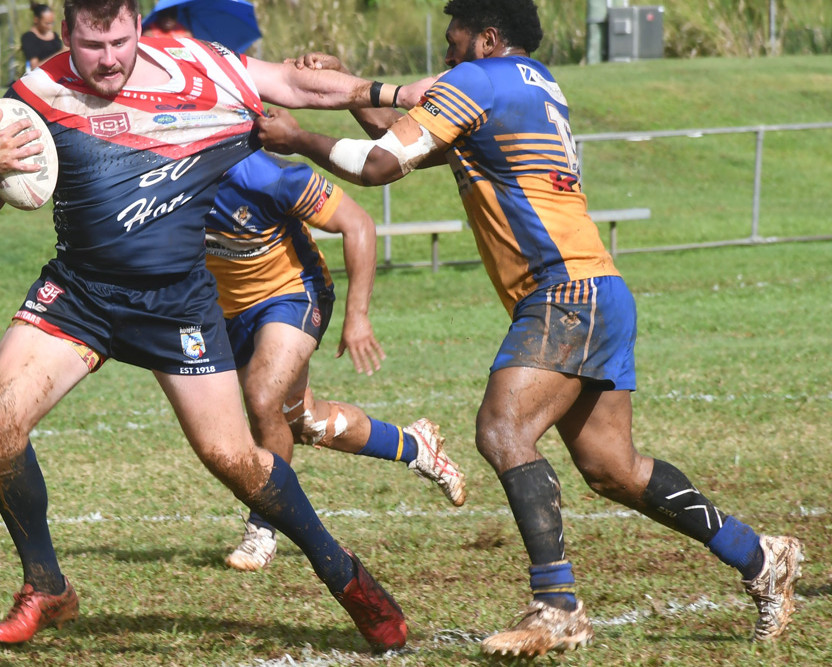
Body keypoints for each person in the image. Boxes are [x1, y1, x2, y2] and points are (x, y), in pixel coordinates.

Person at [255, 0, 805, 659]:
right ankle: (762, 555)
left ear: (488, 35)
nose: (448, 44)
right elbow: (395, 139)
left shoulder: (475, 82)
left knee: (502, 428)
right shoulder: (528, 84)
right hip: (598, 287)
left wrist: (296, 139)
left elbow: (377, 164)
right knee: (613, 468)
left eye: (456, 30)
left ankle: (558, 605)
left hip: (562, 290)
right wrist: (346, 84)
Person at [0, 0, 430, 653]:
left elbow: (293, 83)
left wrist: (394, 92)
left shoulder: (199, 70)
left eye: (119, 40)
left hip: (176, 303)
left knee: (234, 459)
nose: (107, 58)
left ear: (138, 29)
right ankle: (46, 585)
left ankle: (342, 572)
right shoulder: (35, 95)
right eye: (91, 45)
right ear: (66, 35)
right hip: (81, 293)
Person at [205, 150, 466, 571]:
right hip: (227, 311)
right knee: (302, 420)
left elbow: (358, 223)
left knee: (261, 399)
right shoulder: (163, 174)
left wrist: (358, 316)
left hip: (292, 294)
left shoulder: (268, 175)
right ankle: (415, 446)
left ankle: (262, 527)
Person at [21, 3, 65, 72]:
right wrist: (59, 54)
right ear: (36, 20)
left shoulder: (55, 36)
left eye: (52, 23)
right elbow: (34, 67)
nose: (50, 27)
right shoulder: (29, 38)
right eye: (47, 23)